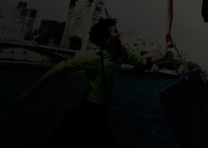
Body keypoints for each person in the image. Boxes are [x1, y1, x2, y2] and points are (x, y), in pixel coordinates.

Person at [18, 18, 169, 147]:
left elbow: (142, 62)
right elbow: (58, 68)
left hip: (99, 111)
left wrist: (163, 57)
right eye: (115, 31)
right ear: (107, 40)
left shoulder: (121, 53)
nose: (120, 33)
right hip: (90, 110)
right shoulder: (94, 58)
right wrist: (30, 92)